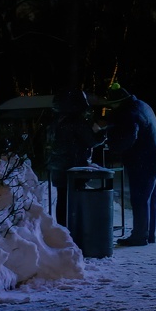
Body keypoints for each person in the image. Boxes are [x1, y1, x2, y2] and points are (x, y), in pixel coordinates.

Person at [97, 81, 156, 246]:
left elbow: (129, 136)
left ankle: (139, 236)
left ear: (117, 102)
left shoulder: (128, 112)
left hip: (143, 162)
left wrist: (112, 145)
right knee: (151, 199)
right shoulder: (141, 105)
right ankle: (149, 234)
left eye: (111, 104)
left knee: (140, 199)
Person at [45, 90, 103, 227]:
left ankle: (63, 230)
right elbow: (92, 141)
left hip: (58, 167)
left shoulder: (55, 122)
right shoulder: (77, 122)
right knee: (75, 202)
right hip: (74, 168)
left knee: (62, 199)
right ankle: (75, 230)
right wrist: (101, 132)